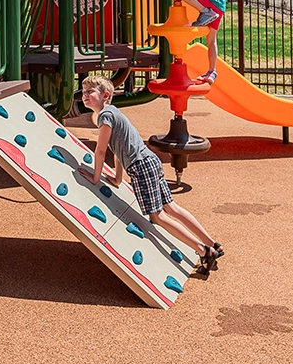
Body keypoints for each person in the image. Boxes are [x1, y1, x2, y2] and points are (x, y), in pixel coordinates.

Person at [81, 75, 223, 274]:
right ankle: (213, 244)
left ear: (105, 95)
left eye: (90, 92)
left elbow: (101, 150)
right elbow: (120, 150)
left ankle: (204, 250)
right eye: (84, 91)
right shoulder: (113, 113)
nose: (85, 95)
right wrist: (118, 178)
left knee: (157, 216)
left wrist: (95, 177)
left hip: (140, 167)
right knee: (172, 208)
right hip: (150, 160)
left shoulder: (105, 115)